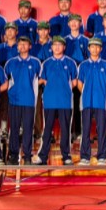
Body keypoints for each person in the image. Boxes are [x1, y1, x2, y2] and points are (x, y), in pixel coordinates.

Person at [36, 36, 78, 165]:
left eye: (60, 45)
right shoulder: (46, 63)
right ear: (51, 47)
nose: (57, 47)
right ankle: (43, 156)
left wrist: (64, 88)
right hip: (49, 101)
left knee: (65, 129)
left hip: (65, 101)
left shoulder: (70, 63)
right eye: (55, 45)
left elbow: (74, 82)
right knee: (47, 129)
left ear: (64, 47)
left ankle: (66, 155)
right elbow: (42, 80)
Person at [4, 36, 41, 164]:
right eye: (20, 44)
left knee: (28, 129)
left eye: (25, 44)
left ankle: (27, 155)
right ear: (17, 47)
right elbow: (5, 80)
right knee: (14, 129)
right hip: (14, 100)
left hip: (29, 101)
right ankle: (13, 155)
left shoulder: (36, 62)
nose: (22, 46)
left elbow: (40, 79)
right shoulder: (11, 63)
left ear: (30, 46)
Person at [77, 37, 106, 165]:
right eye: (92, 46)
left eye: (97, 47)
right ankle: (85, 156)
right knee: (86, 129)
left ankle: (102, 156)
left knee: (102, 130)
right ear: (88, 48)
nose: (95, 49)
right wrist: (87, 92)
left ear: (101, 49)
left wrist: (101, 93)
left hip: (101, 102)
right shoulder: (83, 65)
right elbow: (79, 83)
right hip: (86, 101)